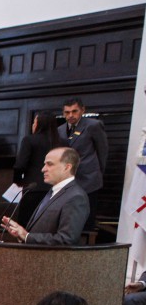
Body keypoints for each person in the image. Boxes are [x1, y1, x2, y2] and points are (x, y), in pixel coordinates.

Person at [2, 147, 89, 245]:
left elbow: (66, 239)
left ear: (67, 167)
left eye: (49, 164)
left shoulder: (76, 197)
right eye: (44, 164)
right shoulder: (53, 191)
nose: (43, 169)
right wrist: (21, 234)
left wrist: (27, 236)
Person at [59, 97, 108, 227]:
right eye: (67, 112)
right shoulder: (60, 130)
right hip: (68, 181)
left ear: (82, 110)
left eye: (74, 111)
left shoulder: (93, 125)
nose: (70, 115)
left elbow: (102, 151)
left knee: (87, 219)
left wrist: (98, 173)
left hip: (89, 180)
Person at [13, 111, 62, 189]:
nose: (33, 125)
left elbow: (20, 165)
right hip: (57, 186)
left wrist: (18, 181)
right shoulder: (63, 142)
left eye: (34, 122)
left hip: (34, 186)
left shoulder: (29, 140)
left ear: (39, 125)